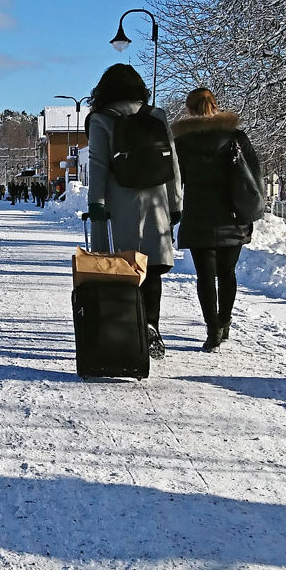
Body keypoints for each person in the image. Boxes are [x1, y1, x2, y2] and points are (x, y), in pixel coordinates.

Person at [85, 63, 182, 360]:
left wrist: (96, 204)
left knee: (121, 270)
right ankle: (151, 324)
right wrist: (175, 204)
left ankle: (126, 331)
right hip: (155, 202)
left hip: (118, 205)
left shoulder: (101, 119)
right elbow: (172, 164)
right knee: (152, 270)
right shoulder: (156, 116)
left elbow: (99, 164)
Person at [172, 86, 262, 350]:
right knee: (227, 272)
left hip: (199, 213)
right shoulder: (236, 137)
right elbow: (253, 173)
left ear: (189, 109)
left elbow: (179, 178)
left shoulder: (183, 142)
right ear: (215, 106)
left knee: (205, 275)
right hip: (232, 213)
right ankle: (225, 322)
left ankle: (212, 328)